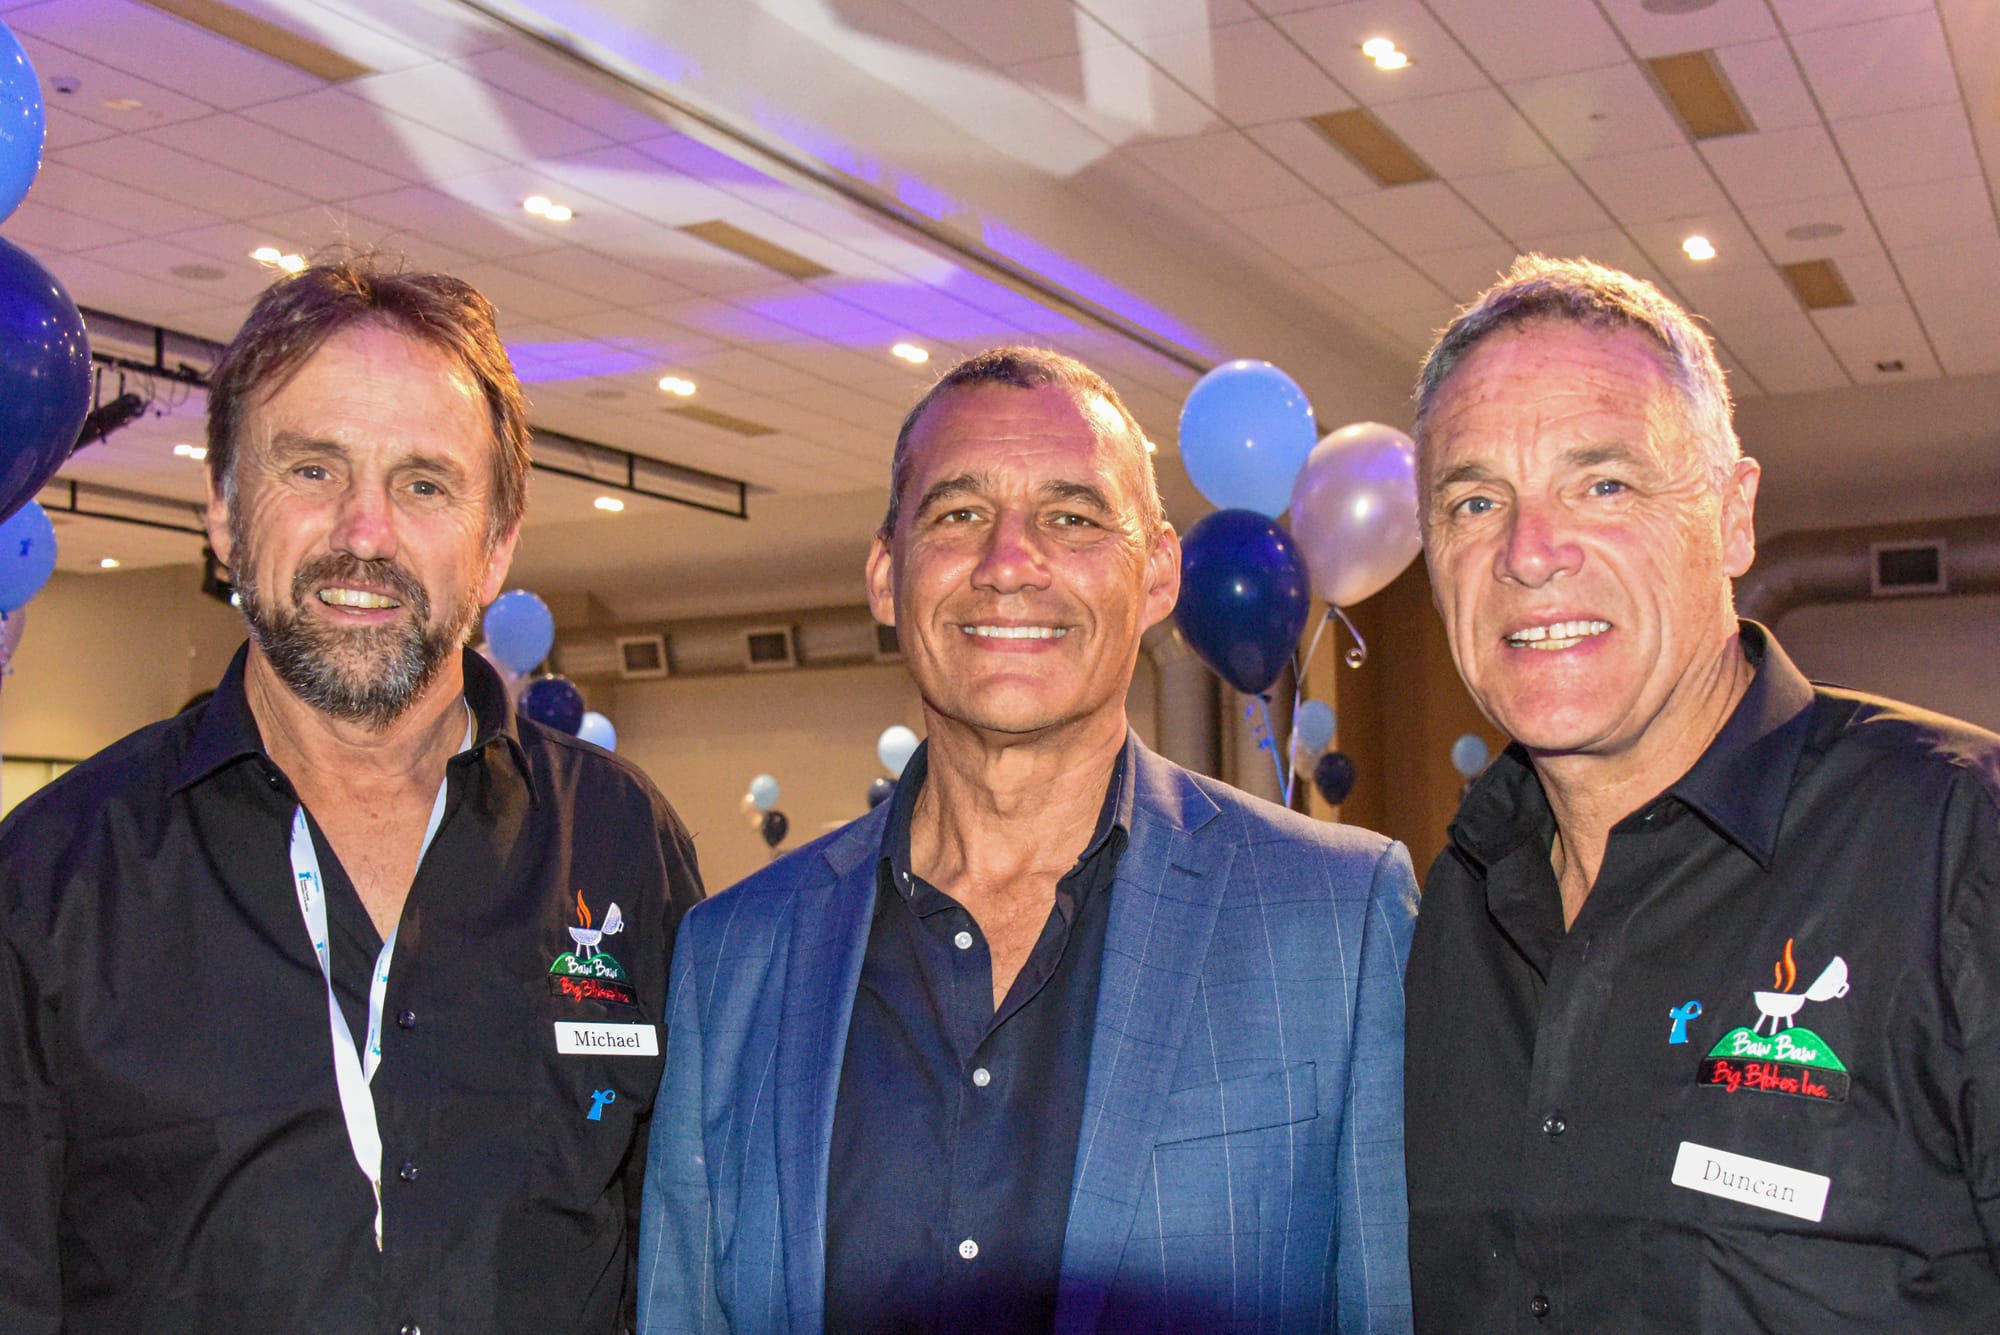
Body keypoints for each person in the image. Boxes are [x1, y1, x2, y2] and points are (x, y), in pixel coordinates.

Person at [636, 347, 1417, 1333]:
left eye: (1072, 517)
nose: (1009, 563)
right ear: (886, 575)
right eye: (959, 515)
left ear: (1159, 574)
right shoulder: (735, 954)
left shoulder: (1334, 920)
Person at [0, 258, 704, 1334]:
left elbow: (682, 1255)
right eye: (313, 470)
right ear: (225, 515)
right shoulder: (51, 879)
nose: (364, 534)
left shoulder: (619, 844)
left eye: (424, 484)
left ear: (495, 546)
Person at [1404, 254, 2000, 1331]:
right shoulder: (1448, 907)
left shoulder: (1956, 843)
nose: (1528, 553)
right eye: (1474, 499)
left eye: (1602, 485)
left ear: (1732, 518)